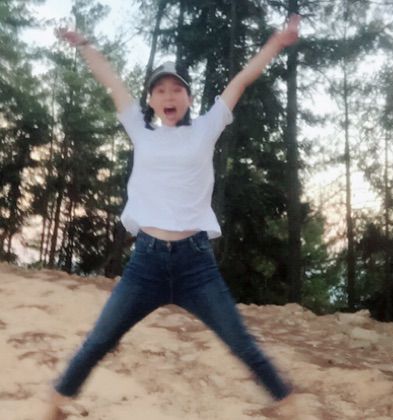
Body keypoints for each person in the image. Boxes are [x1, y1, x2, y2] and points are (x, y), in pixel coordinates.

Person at [44, 13, 300, 420]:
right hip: (145, 264)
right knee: (101, 338)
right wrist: (84, 44)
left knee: (239, 341)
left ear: (188, 99)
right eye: (160, 89)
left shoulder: (206, 128)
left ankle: (286, 402)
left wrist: (276, 43)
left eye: (177, 89)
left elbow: (241, 80)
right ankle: (57, 401)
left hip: (196, 265)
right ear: (150, 100)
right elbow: (112, 81)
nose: (169, 95)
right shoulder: (140, 130)